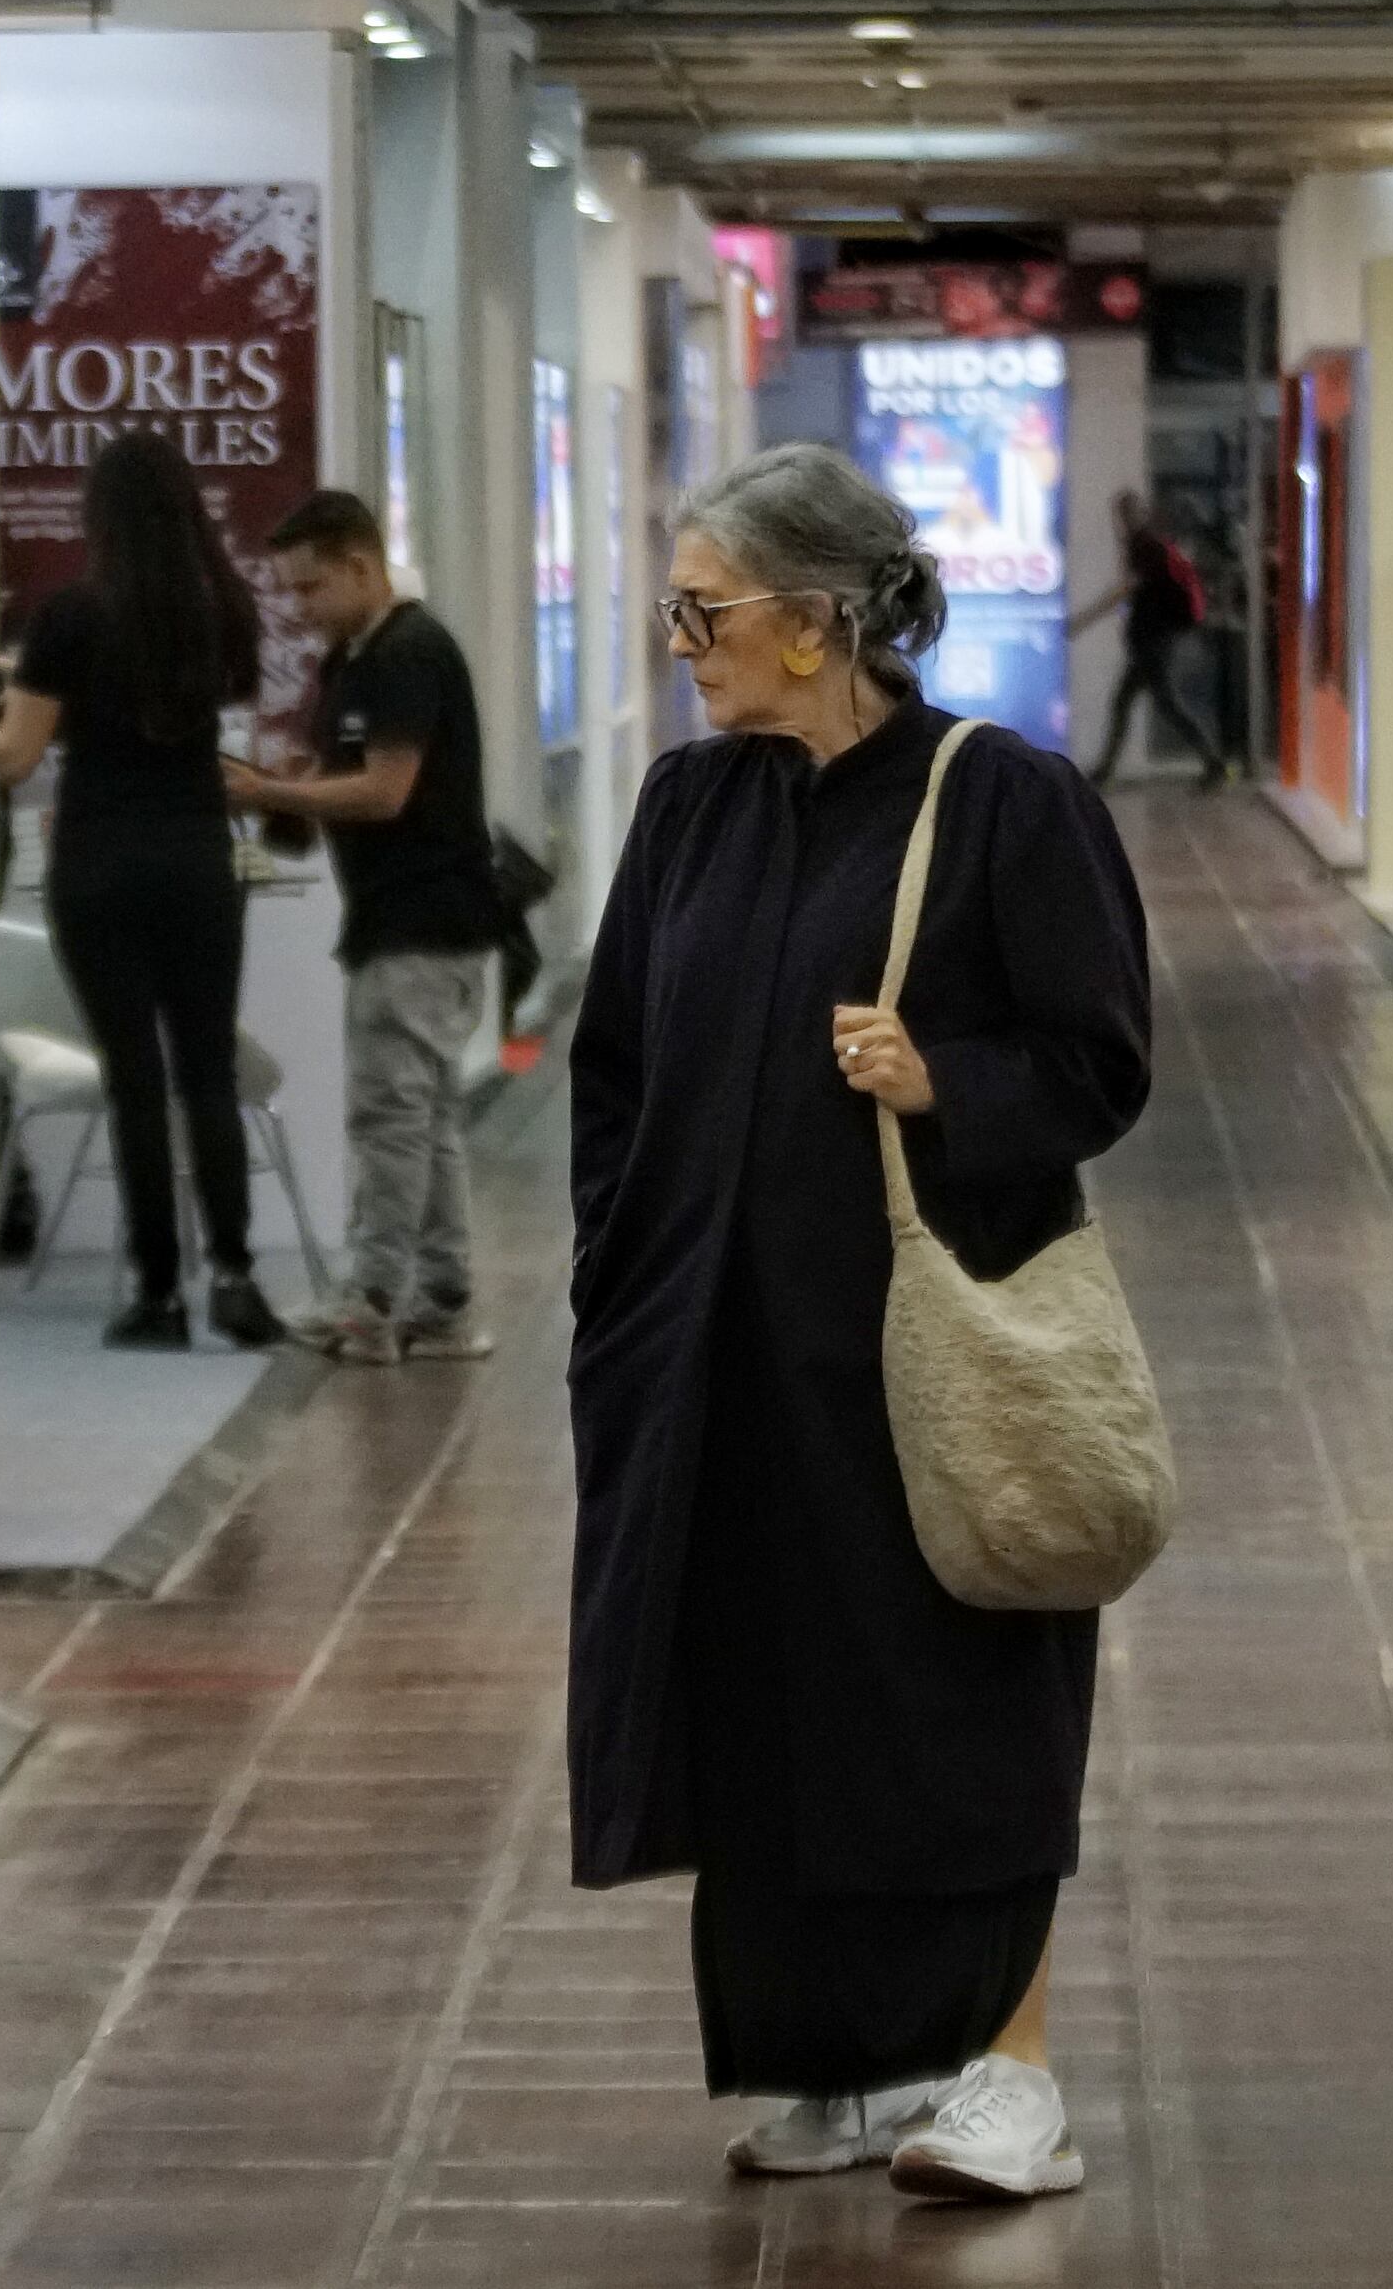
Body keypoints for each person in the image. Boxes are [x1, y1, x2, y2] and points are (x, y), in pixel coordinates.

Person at [564, 440, 1152, 2207]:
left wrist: (942, 1078)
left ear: (815, 619)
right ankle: (839, 2057)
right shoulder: (690, 808)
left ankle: (1008, 2071)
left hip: (920, 1361)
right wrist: (618, 1278)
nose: (682, 640)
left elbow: (1099, 1062)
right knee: (762, 1698)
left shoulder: (1001, 800)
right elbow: (615, 1068)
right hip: (718, 1362)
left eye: (705, 608)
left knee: (959, 1700)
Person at [0, 430, 286, 1353]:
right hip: (197, 859)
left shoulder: (71, 615)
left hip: (98, 863)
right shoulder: (220, 610)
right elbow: (164, 698)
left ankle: (157, 1296)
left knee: (135, 1079)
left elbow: (15, 755)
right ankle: (236, 1278)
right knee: (207, 1072)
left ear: (103, 515)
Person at [230, 489, 502, 1369]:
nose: (299, 609)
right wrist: (294, 788)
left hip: (421, 920)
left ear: (359, 566)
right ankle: (442, 1301)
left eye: (310, 588)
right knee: (425, 1117)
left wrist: (269, 791)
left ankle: (374, 1300)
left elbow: (386, 792)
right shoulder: (355, 659)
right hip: (413, 919)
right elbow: (345, 775)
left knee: (391, 1117)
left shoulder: (407, 654)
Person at [1068, 487, 1226, 790]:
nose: (1121, 520)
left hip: (1153, 641)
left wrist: (1083, 621)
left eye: (1124, 513)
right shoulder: (1144, 544)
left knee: (1160, 703)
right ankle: (1105, 771)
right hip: (1151, 639)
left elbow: (1125, 591)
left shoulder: (1145, 546)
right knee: (1131, 702)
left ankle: (1213, 762)